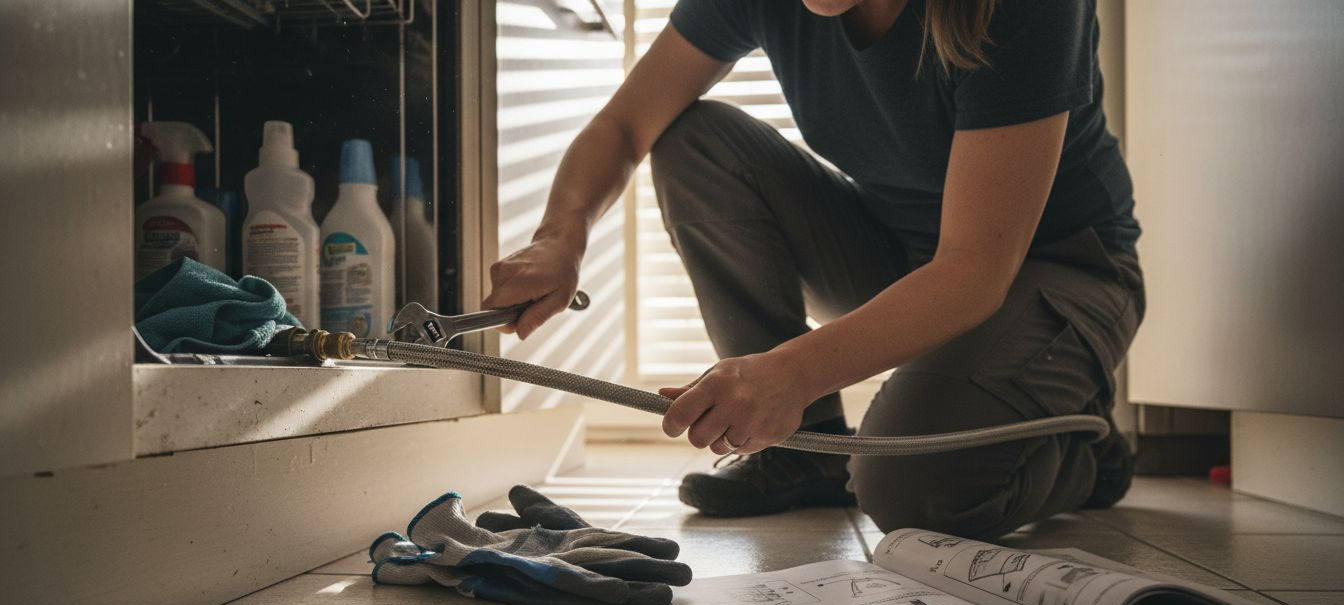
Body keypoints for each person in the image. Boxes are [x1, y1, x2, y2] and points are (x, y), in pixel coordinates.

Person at [482, 0, 1144, 538]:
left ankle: (1084, 451)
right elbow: (628, 125)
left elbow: (974, 269)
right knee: (693, 140)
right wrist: (560, 236)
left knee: (910, 491)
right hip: (902, 254)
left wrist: (790, 373)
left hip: (1061, 270)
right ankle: (804, 453)